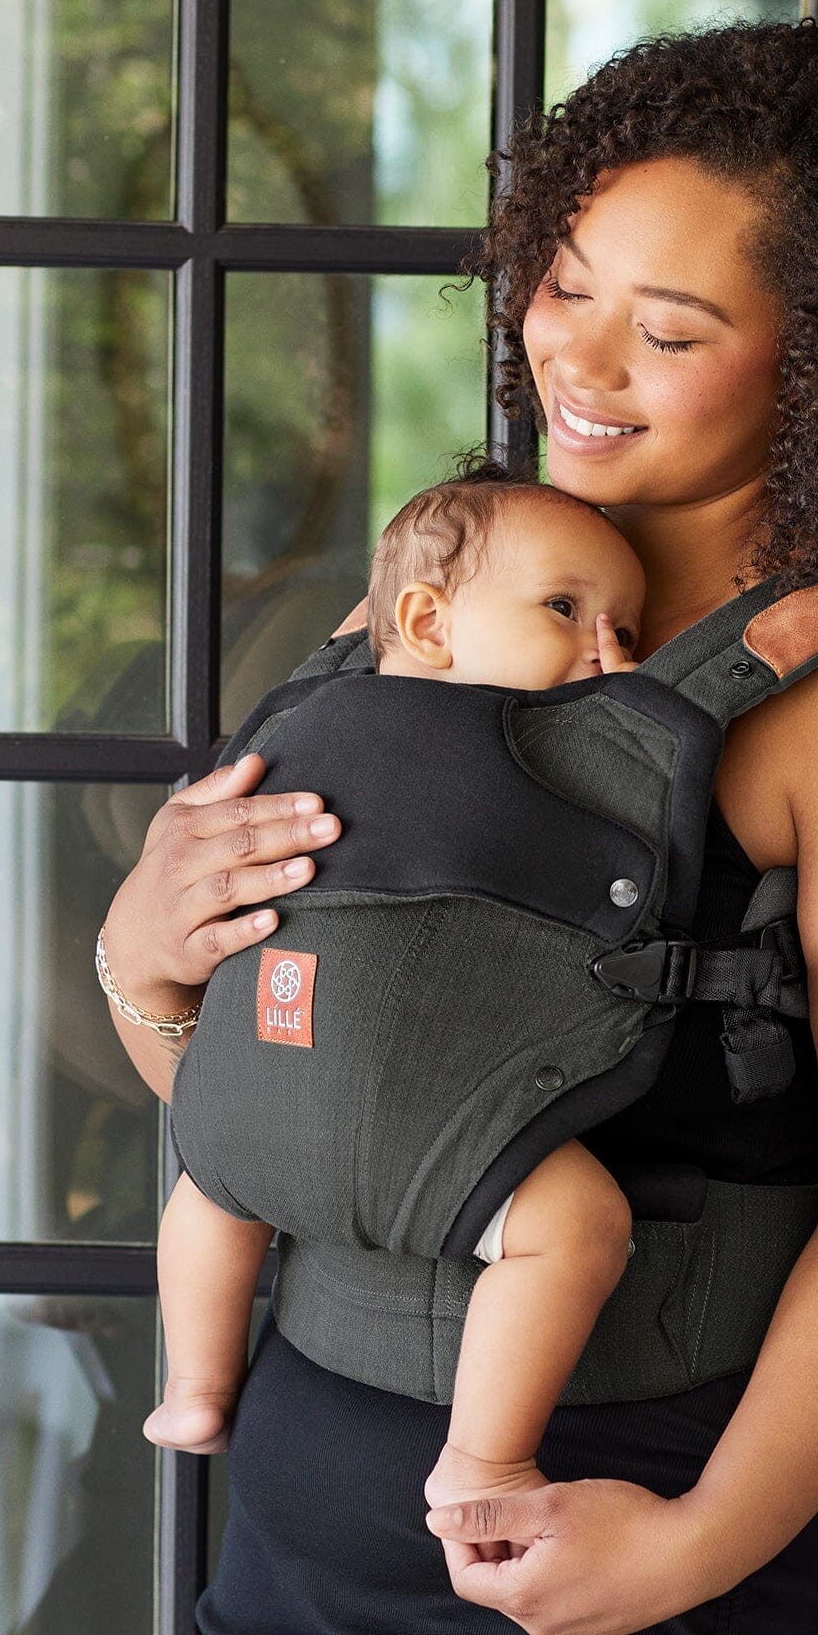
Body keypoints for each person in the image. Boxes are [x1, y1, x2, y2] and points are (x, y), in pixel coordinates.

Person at [98, 18, 818, 1635]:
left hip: (557, 1565)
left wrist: (696, 1542)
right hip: (303, 1548)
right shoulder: (459, 582)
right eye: (562, 287)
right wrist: (140, 957)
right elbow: (280, 1053)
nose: (574, 360)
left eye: (666, 330)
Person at [141, 468, 651, 1524]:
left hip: (251, 1092)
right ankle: (484, 1458)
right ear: (425, 620)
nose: (606, 655)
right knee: (582, 1226)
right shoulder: (554, 771)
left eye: (627, 631)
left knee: (208, 1189)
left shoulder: (304, 718)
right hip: (428, 1127)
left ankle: (194, 1385)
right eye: (566, 610)